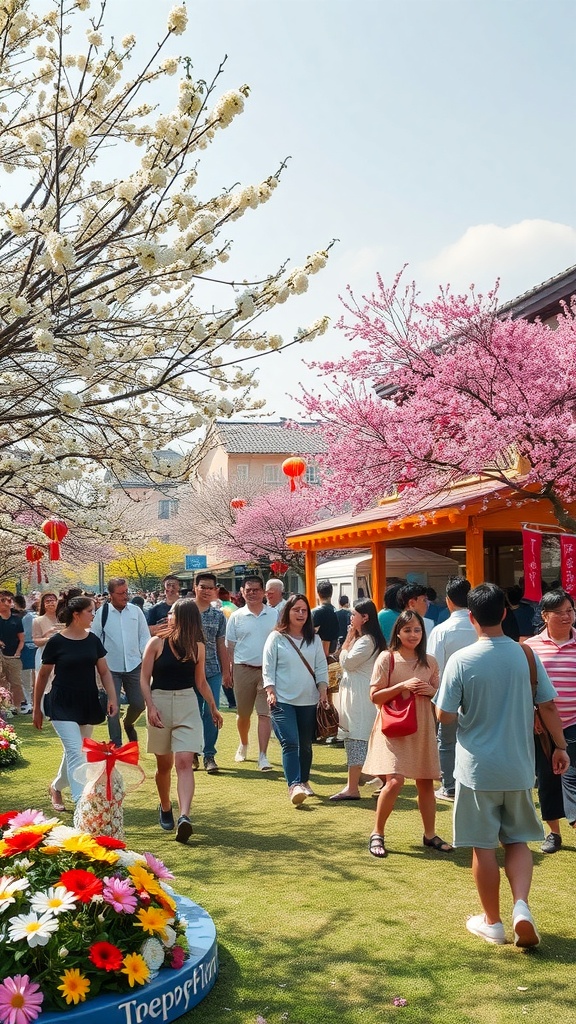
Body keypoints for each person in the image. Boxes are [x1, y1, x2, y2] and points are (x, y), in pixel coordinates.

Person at [434, 583, 569, 946]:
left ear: (472, 617)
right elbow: (549, 707)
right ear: (506, 613)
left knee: (483, 846)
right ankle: (521, 906)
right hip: (520, 766)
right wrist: (559, 746)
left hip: (477, 769)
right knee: (519, 841)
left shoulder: (462, 660)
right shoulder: (525, 655)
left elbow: (445, 715)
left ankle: (492, 922)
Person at [364, 609, 451, 858]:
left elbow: (440, 695)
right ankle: (377, 833)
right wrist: (402, 686)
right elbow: (374, 696)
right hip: (393, 728)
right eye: (407, 630)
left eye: (417, 629)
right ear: (398, 633)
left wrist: (429, 691)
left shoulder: (430, 661)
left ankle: (430, 834)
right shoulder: (386, 658)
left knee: (425, 781)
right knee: (394, 780)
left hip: (422, 727)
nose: (413, 634)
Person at [140, 598, 223, 843]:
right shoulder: (156, 643)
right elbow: (144, 680)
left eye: (173, 612)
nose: (168, 615)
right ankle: (165, 806)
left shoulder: (198, 646)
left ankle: (184, 816)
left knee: (184, 761)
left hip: (188, 703)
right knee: (164, 766)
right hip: (160, 703)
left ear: (183, 617)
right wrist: (151, 706)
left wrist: (213, 706)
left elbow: (201, 682)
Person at [33, 595, 118, 811]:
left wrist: (113, 697)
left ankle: (56, 787)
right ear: (76, 614)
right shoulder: (57, 642)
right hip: (61, 702)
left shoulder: (93, 640)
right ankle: (83, 803)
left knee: (77, 751)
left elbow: (105, 671)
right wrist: (36, 708)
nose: (93, 615)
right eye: (90, 611)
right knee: (74, 751)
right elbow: (42, 676)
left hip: (87, 701)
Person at [524, 589, 576, 854]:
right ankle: (553, 833)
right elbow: (524, 688)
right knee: (548, 779)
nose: (567, 617)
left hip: (574, 722)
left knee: (574, 776)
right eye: (560, 612)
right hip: (542, 726)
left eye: (570, 611)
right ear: (545, 616)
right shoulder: (530, 647)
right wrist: (534, 713)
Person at [263, 594, 329, 805]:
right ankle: (294, 785)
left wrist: (323, 690)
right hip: (282, 699)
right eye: (296, 610)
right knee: (290, 742)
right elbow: (268, 667)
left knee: (306, 744)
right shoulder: (276, 637)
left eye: (304, 610)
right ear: (287, 612)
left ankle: (304, 780)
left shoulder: (315, 639)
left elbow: (321, 668)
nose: (301, 614)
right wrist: (270, 690)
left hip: (309, 700)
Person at [330, 599, 386, 801]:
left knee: (357, 739)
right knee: (358, 739)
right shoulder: (367, 639)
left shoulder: (367, 640)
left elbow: (347, 661)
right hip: (358, 694)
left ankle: (353, 787)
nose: (351, 618)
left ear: (365, 617)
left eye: (354, 614)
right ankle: (378, 780)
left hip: (359, 696)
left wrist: (346, 641)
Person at [427, 577, 477, 801]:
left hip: (449, 695)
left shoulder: (441, 630)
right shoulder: (479, 627)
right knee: (475, 740)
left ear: (448, 601)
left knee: (447, 742)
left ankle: (449, 786)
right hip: (478, 693)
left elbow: (433, 665)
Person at [225, 575, 278, 770]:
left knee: (265, 714)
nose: (252, 593)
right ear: (242, 592)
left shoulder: (274, 615)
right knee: (244, 714)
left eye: (256, 590)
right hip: (242, 669)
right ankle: (244, 743)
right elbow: (230, 647)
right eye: (248, 590)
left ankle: (263, 756)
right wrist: (228, 671)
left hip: (267, 671)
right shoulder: (236, 617)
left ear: (264, 592)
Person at [91, 578, 150, 746]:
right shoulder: (102, 613)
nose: (125, 596)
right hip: (110, 668)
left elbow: (144, 636)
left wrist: (143, 656)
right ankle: (116, 744)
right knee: (113, 708)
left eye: (126, 592)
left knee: (139, 703)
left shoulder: (136, 611)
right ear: (111, 595)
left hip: (134, 665)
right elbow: (94, 639)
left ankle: (128, 723)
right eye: (121, 593)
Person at [193, 571, 231, 774]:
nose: (206, 591)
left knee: (211, 712)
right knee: (190, 714)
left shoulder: (218, 615)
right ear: (195, 588)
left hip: (212, 671)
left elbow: (221, 646)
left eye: (210, 588)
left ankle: (209, 755)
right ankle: (192, 753)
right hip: (186, 672)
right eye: (203, 587)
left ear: (215, 590)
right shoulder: (183, 610)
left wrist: (226, 671)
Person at [0, 590, 25, 712]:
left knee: (16, 683)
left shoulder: (17, 619)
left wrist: (18, 652)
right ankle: (4, 707)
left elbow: (21, 639)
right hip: (1, 655)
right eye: (2, 600)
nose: (6, 603)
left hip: (13, 656)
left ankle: (17, 707)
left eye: (9, 600)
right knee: (1, 682)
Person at [32, 592, 60, 673]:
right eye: (47, 601)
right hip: (45, 655)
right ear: (43, 604)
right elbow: (36, 641)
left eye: (53, 601)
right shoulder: (37, 620)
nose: (50, 603)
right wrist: (49, 638)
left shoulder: (63, 618)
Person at [19, 597, 37, 713]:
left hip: (25, 648)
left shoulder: (26, 618)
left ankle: (29, 701)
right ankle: (30, 701)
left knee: (27, 676)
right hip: (29, 647)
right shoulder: (30, 617)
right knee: (30, 675)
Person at [312, 580, 340, 655]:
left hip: (319, 653)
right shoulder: (337, 612)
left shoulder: (315, 612)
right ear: (331, 594)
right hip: (334, 652)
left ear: (318, 593)